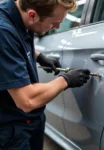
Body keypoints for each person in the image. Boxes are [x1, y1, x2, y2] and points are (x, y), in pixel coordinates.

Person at [0, 0, 90, 149]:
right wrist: (65, 80)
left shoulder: (20, 13)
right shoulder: (3, 31)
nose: (57, 27)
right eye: (54, 22)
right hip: (10, 126)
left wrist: (39, 57)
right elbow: (27, 101)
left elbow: (15, 44)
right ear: (33, 15)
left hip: (32, 119)